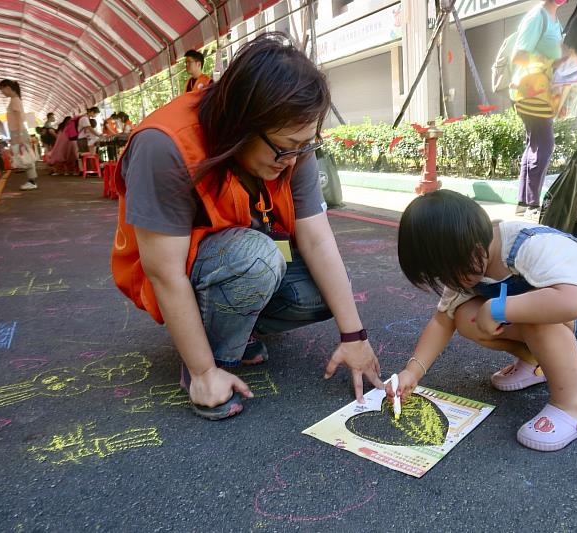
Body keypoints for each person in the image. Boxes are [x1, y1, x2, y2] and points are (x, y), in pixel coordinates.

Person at [112, 33, 382, 421]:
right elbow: (163, 271)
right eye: (287, 147)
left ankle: (240, 329)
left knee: (327, 291)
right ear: (242, 124)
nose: (293, 161)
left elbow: (318, 239)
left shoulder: (292, 143)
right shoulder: (165, 144)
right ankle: (209, 360)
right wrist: (204, 371)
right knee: (256, 258)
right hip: (190, 270)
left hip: (244, 254)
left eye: (305, 146)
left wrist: (354, 336)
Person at [387, 190, 577, 451]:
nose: (447, 283)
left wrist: (497, 308)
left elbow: (573, 303)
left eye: (448, 274)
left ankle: (571, 408)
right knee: (464, 316)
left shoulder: (528, 245)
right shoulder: (465, 259)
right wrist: (412, 372)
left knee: (534, 315)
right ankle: (535, 362)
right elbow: (442, 321)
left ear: (474, 250)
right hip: (558, 310)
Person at [508, 0, 566, 218]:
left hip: (541, 93)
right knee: (544, 144)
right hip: (532, 93)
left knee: (535, 144)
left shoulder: (554, 21)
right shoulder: (537, 17)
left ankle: (524, 203)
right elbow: (518, 55)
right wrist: (551, 61)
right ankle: (531, 204)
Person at [0, 79, 38, 190]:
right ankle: (31, 181)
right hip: (17, 132)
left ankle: (32, 181)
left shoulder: (14, 100)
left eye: (2, 90)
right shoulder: (15, 99)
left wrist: (19, 135)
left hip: (18, 132)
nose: (2, 93)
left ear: (8, 88)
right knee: (24, 155)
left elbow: (19, 118)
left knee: (25, 156)